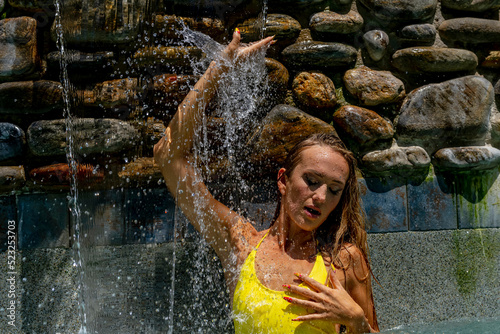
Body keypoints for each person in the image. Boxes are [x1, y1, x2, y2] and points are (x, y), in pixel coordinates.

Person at [153, 29, 379, 334]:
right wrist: (219, 68)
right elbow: (168, 156)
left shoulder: (344, 261)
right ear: (284, 180)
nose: (321, 196)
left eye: (334, 190)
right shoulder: (241, 244)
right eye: (311, 181)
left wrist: (356, 322)